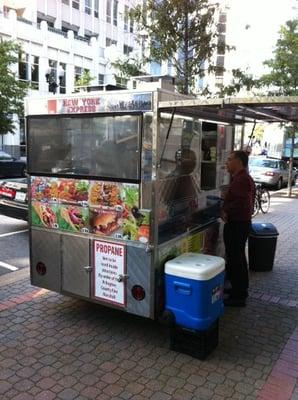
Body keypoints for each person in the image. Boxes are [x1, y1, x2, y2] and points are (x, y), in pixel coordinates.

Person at [221, 150, 255, 307]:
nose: (226, 162)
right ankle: (238, 289)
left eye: (229, 159)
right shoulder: (241, 178)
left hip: (238, 224)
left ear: (239, 162)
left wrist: (226, 211)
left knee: (235, 258)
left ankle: (239, 295)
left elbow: (241, 203)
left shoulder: (241, 179)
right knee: (238, 257)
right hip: (240, 223)